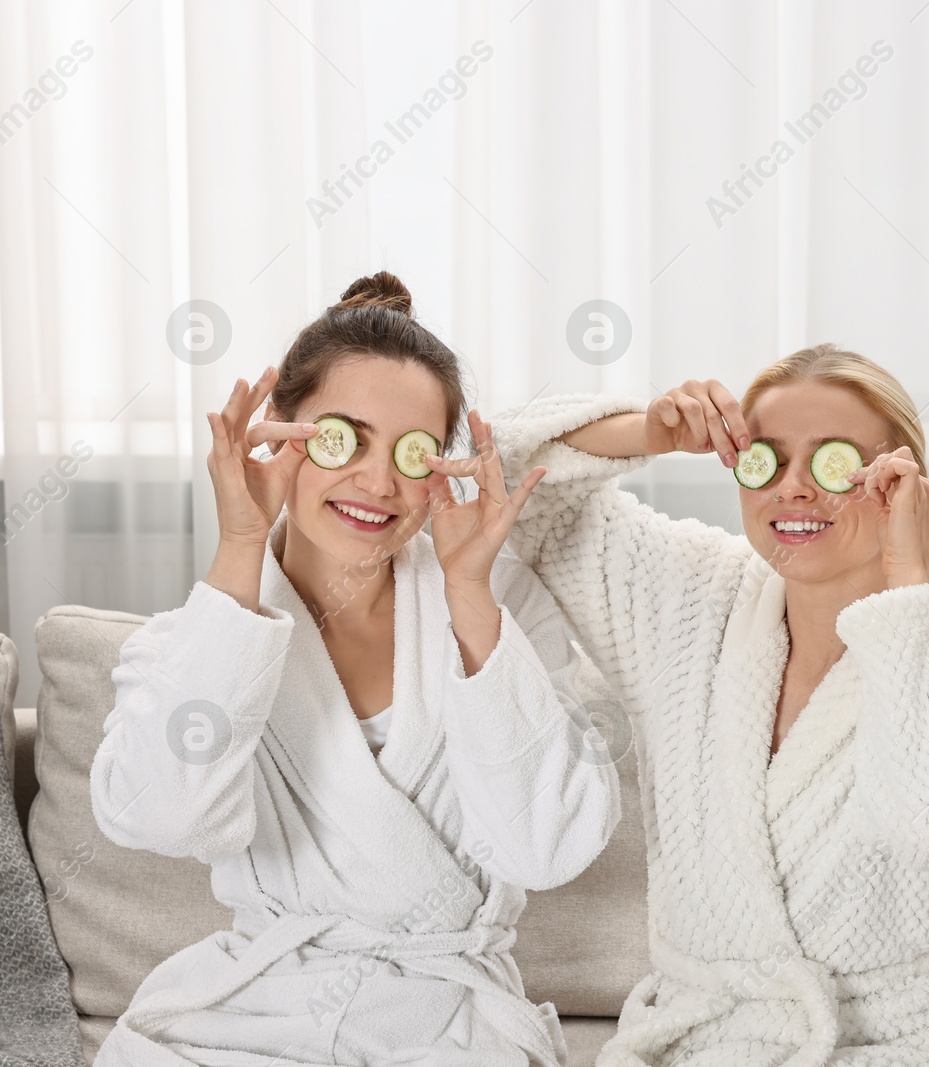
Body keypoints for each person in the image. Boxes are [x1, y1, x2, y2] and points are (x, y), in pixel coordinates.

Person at [89, 272, 619, 1066]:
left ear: (442, 467)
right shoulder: (189, 642)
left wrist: (471, 593)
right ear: (279, 439)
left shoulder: (502, 608)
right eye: (345, 437)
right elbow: (160, 817)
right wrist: (240, 547)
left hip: (448, 1018)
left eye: (412, 452)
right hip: (248, 1014)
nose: (378, 481)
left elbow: (545, 849)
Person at [485, 344, 929, 1065]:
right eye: (767, 460)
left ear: (903, 482)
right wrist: (650, 432)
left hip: (901, 1041)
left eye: (835, 461)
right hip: (702, 1038)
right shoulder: (688, 598)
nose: (795, 488)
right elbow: (499, 479)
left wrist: (909, 592)